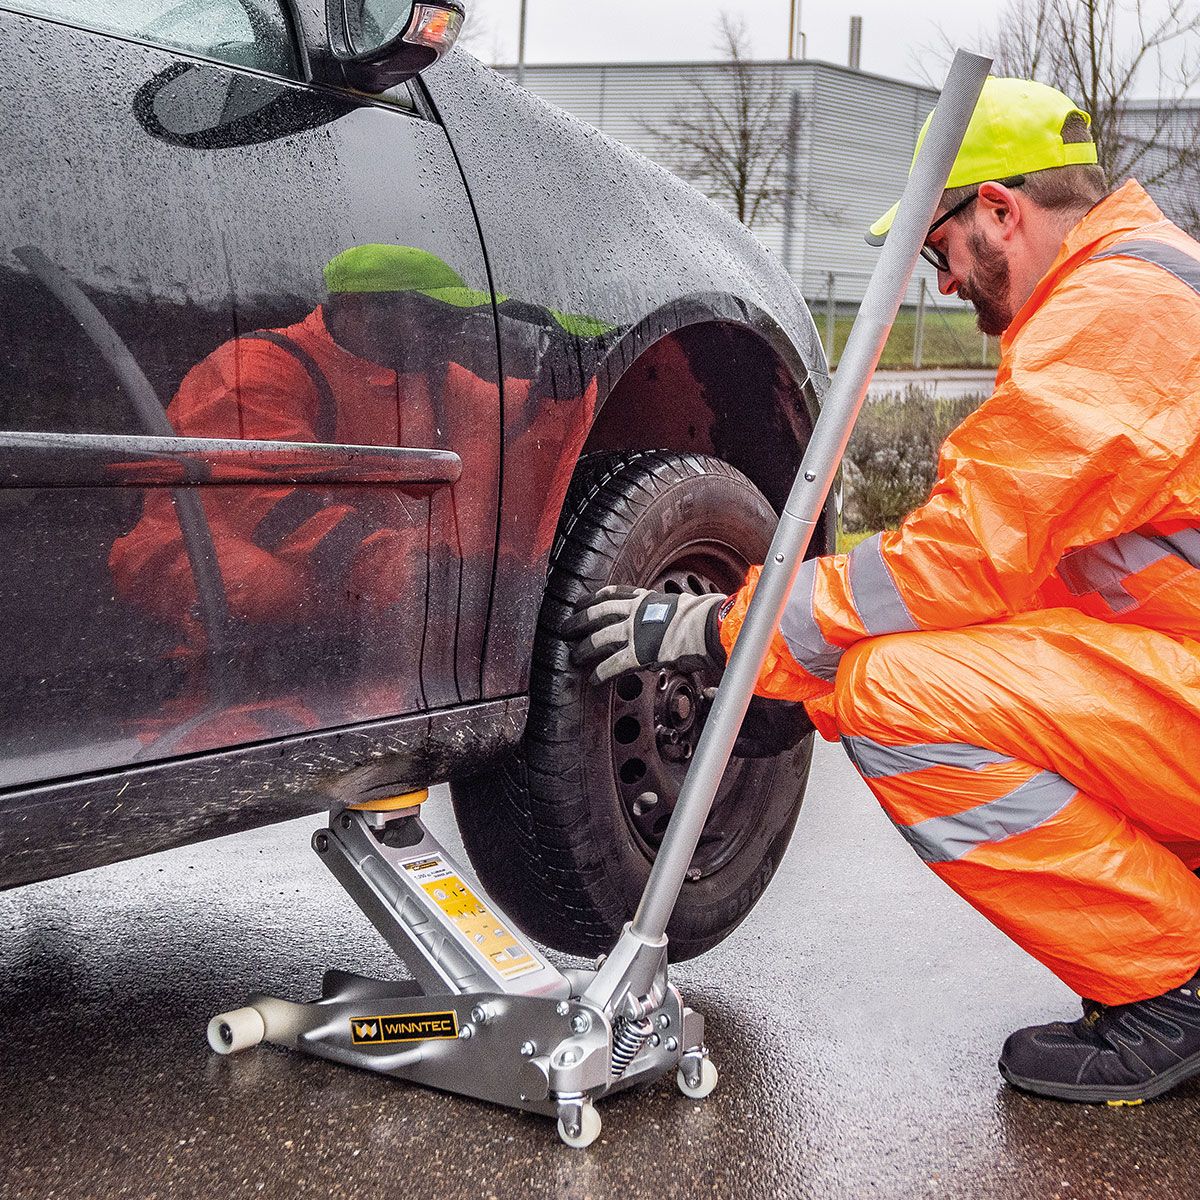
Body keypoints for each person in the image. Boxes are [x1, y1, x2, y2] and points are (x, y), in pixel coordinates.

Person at [566, 77, 1200, 1105]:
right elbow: (1020, 586)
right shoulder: (1150, 283)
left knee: (889, 692)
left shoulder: (1110, 320)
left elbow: (954, 563)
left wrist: (724, 635)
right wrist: (791, 672)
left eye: (938, 248)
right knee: (871, 664)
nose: (941, 281)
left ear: (999, 210)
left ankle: (1171, 983)